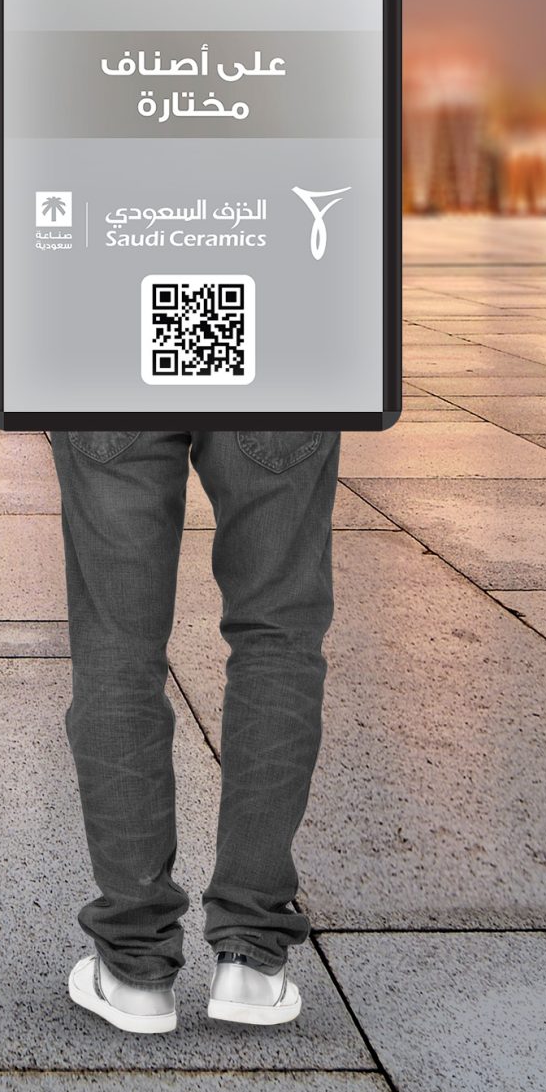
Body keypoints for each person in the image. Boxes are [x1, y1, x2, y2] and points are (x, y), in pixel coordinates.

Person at [47, 426, 339, 1034]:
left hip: (110, 349)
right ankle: (251, 959)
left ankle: (134, 967)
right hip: (275, 348)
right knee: (277, 635)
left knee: (117, 646)